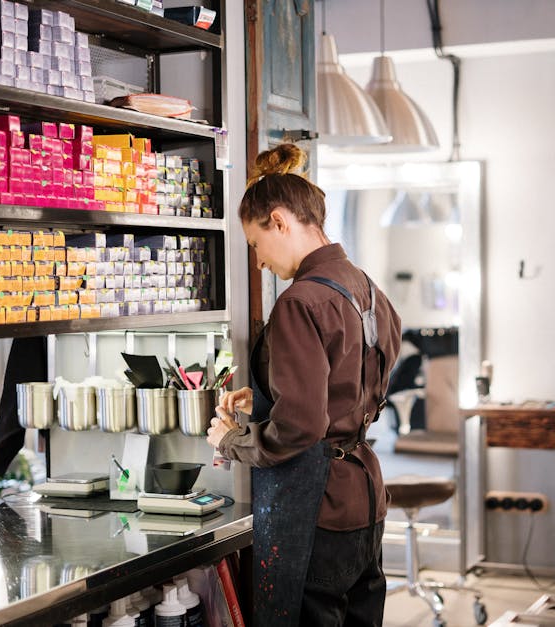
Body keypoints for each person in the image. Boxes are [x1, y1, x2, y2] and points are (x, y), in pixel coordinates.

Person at [206, 143, 401, 626]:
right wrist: (275, 390)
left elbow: (301, 426)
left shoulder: (299, 302)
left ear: (279, 221)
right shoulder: (367, 288)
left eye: (255, 244)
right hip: (366, 499)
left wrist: (234, 441)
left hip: (317, 510)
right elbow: (354, 385)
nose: (259, 262)